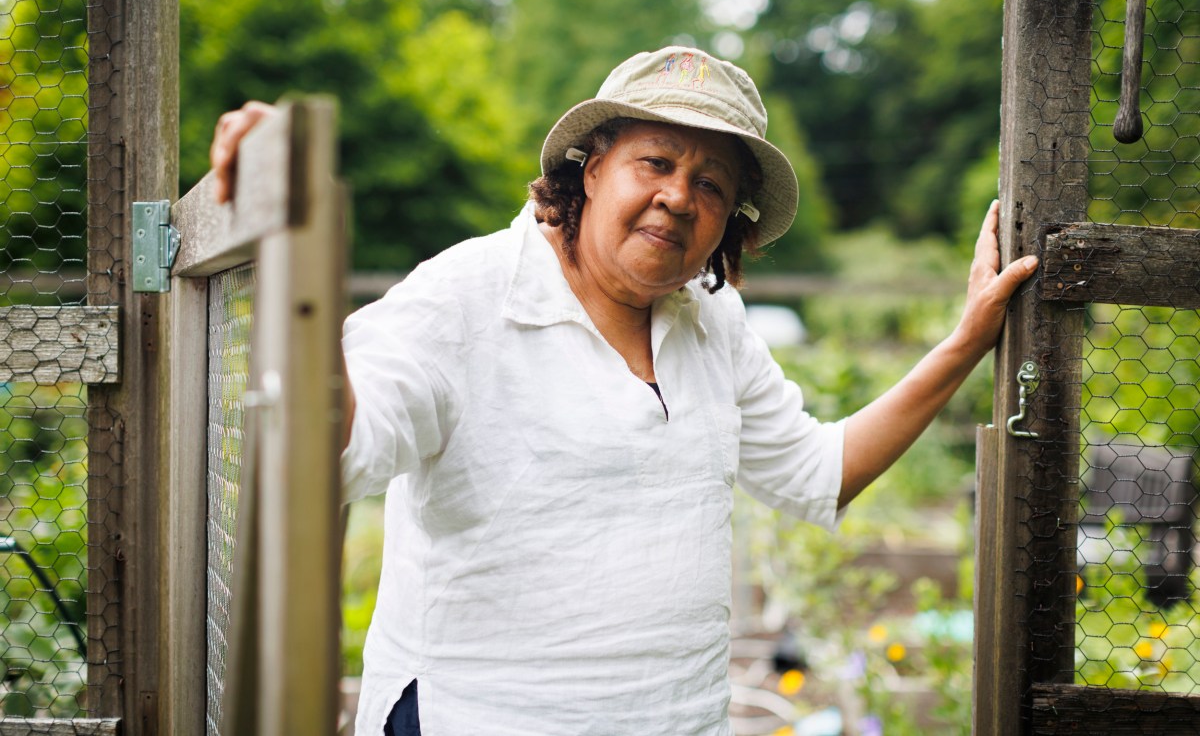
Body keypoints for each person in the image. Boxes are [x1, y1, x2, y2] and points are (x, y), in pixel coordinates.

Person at [210, 46, 1038, 736]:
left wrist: (967, 340)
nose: (679, 196)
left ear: (729, 223)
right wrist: (291, 255)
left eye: (712, 184)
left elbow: (817, 470)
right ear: (592, 166)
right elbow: (338, 442)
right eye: (656, 161)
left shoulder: (711, 319)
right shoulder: (465, 297)